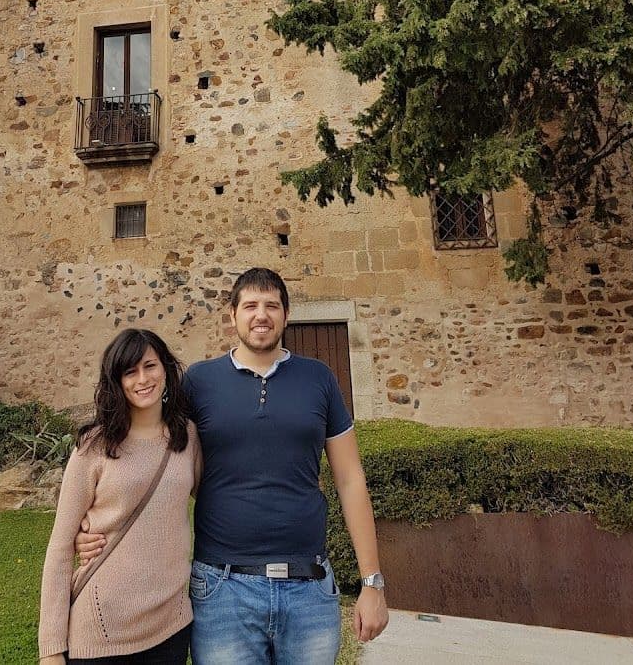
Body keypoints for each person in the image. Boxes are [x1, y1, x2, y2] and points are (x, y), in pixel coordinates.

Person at [77, 268, 388, 664]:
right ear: (232, 315)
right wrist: (95, 523)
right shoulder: (199, 382)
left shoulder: (319, 378)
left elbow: (350, 479)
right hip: (222, 590)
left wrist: (372, 582)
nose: (261, 315)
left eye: (272, 305)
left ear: (286, 315)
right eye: (250, 305)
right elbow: (153, 457)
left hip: (309, 588)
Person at [39, 328, 201, 665]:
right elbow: (60, 548)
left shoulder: (187, 436)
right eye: (130, 371)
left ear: (166, 370)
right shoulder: (94, 447)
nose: (142, 379)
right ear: (117, 381)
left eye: (150, 366)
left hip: (170, 627)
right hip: (102, 632)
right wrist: (51, 648)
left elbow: (214, 497)